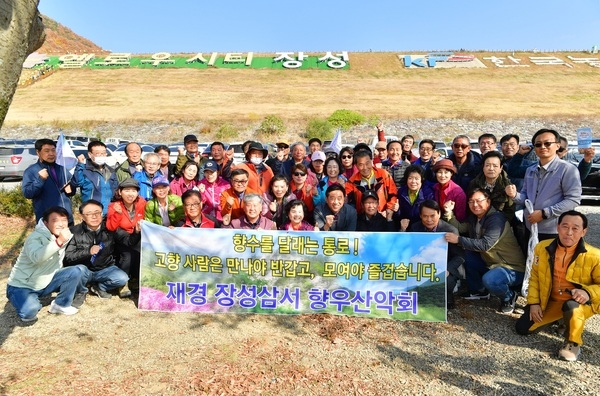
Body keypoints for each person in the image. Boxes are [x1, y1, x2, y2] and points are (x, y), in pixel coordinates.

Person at [516, 211, 600, 362]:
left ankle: (573, 342)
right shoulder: (542, 247)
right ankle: (560, 318)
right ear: (557, 227)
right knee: (523, 328)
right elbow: (534, 276)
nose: (569, 232)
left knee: (571, 307)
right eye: (565, 226)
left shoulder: (595, 256)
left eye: (575, 228)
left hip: (580, 303)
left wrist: (588, 292)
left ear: (584, 231)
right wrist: (534, 302)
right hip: (552, 300)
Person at [444, 188, 526, 314]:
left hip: (511, 267)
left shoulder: (496, 219)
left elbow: (485, 245)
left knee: (490, 279)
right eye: (471, 202)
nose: (475, 205)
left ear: (488, 201)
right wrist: (449, 213)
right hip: (491, 262)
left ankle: (509, 297)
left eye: (478, 201)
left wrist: (458, 240)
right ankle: (478, 290)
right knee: (466, 253)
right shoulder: (475, 218)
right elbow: (460, 227)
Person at [6, 206, 89, 322]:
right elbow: (37, 258)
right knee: (29, 313)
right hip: (22, 285)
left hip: (46, 281)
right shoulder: (36, 237)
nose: (61, 224)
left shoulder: (67, 236)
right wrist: (59, 241)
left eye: (64, 220)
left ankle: (61, 304)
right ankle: (20, 297)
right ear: (46, 223)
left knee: (78, 270)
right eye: (55, 220)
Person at [505, 128, 581, 242]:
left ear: (557, 145)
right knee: (532, 259)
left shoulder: (567, 169)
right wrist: (515, 195)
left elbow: (573, 200)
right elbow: (526, 198)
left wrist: (544, 213)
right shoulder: (530, 170)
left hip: (554, 230)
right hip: (530, 227)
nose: (543, 147)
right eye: (538, 144)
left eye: (547, 143)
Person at [64, 200, 141, 299]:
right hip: (84, 270)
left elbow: (128, 241)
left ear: (101, 214)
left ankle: (99, 287)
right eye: (89, 214)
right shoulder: (73, 232)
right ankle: (82, 287)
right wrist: (88, 252)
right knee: (77, 273)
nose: (94, 216)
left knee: (122, 278)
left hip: (105, 268)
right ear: (82, 216)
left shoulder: (110, 228)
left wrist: (136, 232)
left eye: (97, 213)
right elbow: (68, 256)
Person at [409, 200, 465, 309]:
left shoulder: (450, 230)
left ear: (439, 214)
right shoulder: (415, 228)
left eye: (432, 216)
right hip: (423, 266)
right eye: (425, 216)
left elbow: (460, 256)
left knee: (446, 282)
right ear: (420, 216)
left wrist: (447, 269)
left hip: (445, 267)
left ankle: (448, 296)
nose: (429, 220)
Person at [106, 177, 146, 297]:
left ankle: (134, 279)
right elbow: (111, 227)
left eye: (134, 191)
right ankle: (123, 283)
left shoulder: (142, 203)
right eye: (127, 190)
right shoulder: (114, 206)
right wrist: (118, 214)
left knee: (140, 253)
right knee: (127, 255)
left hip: (137, 235)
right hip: (121, 236)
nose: (130, 194)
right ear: (120, 192)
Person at [22, 138, 76, 225]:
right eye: (46, 151)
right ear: (38, 152)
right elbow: (28, 193)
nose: (51, 153)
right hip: (47, 220)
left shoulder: (61, 168)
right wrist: (40, 180)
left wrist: (71, 189)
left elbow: (71, 188)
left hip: (65, 218)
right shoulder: (31, 171)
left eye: (53, 150)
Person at [73, 140, 119, 217]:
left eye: (103, 153)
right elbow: (77, 183)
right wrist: (80, 165)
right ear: (90, 154)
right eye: (97, 153)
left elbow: (116, 189)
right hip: (92, 213)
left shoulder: (111, 171)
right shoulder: (85, 170)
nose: (101, 156)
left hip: (110, 213)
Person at [468, 151, 516, 224]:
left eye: (495, 166)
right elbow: (470, 205)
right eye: (487, 165)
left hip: (500, 224)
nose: (491, 168)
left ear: (501, 168)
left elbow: (509, 212)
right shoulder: (474, 183)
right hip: (478, 222)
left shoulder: (508, 186)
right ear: (483, 167)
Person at [346, 150, 398, 215]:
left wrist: (389, 209)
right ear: (356, 166)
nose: (365, 168)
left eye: (367, 163)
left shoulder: (383, 175)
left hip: (383, 214)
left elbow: (393, 194)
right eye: (361, 165)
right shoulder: (352, 182)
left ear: (372, 161)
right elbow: (348, 202)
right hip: (362, 218)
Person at [397, 165, 435, 230]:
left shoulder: (428, 193)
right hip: (405, 227)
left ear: (422, 180)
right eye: (410, 178)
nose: (413, 181)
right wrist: (396, 211)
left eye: (417, 179)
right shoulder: (401, 192)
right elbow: (399, 214)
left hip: (423, 228)